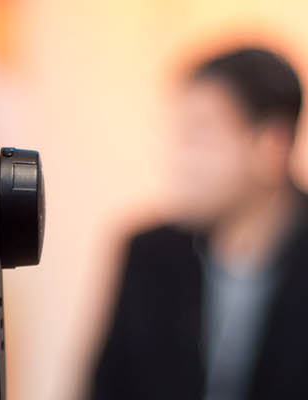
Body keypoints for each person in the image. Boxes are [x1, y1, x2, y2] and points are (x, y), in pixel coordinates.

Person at [91, 48, 308, 400]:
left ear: (271, 145)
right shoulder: (148, 255)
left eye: (201, 136)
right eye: (180, 136)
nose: (181, 160)